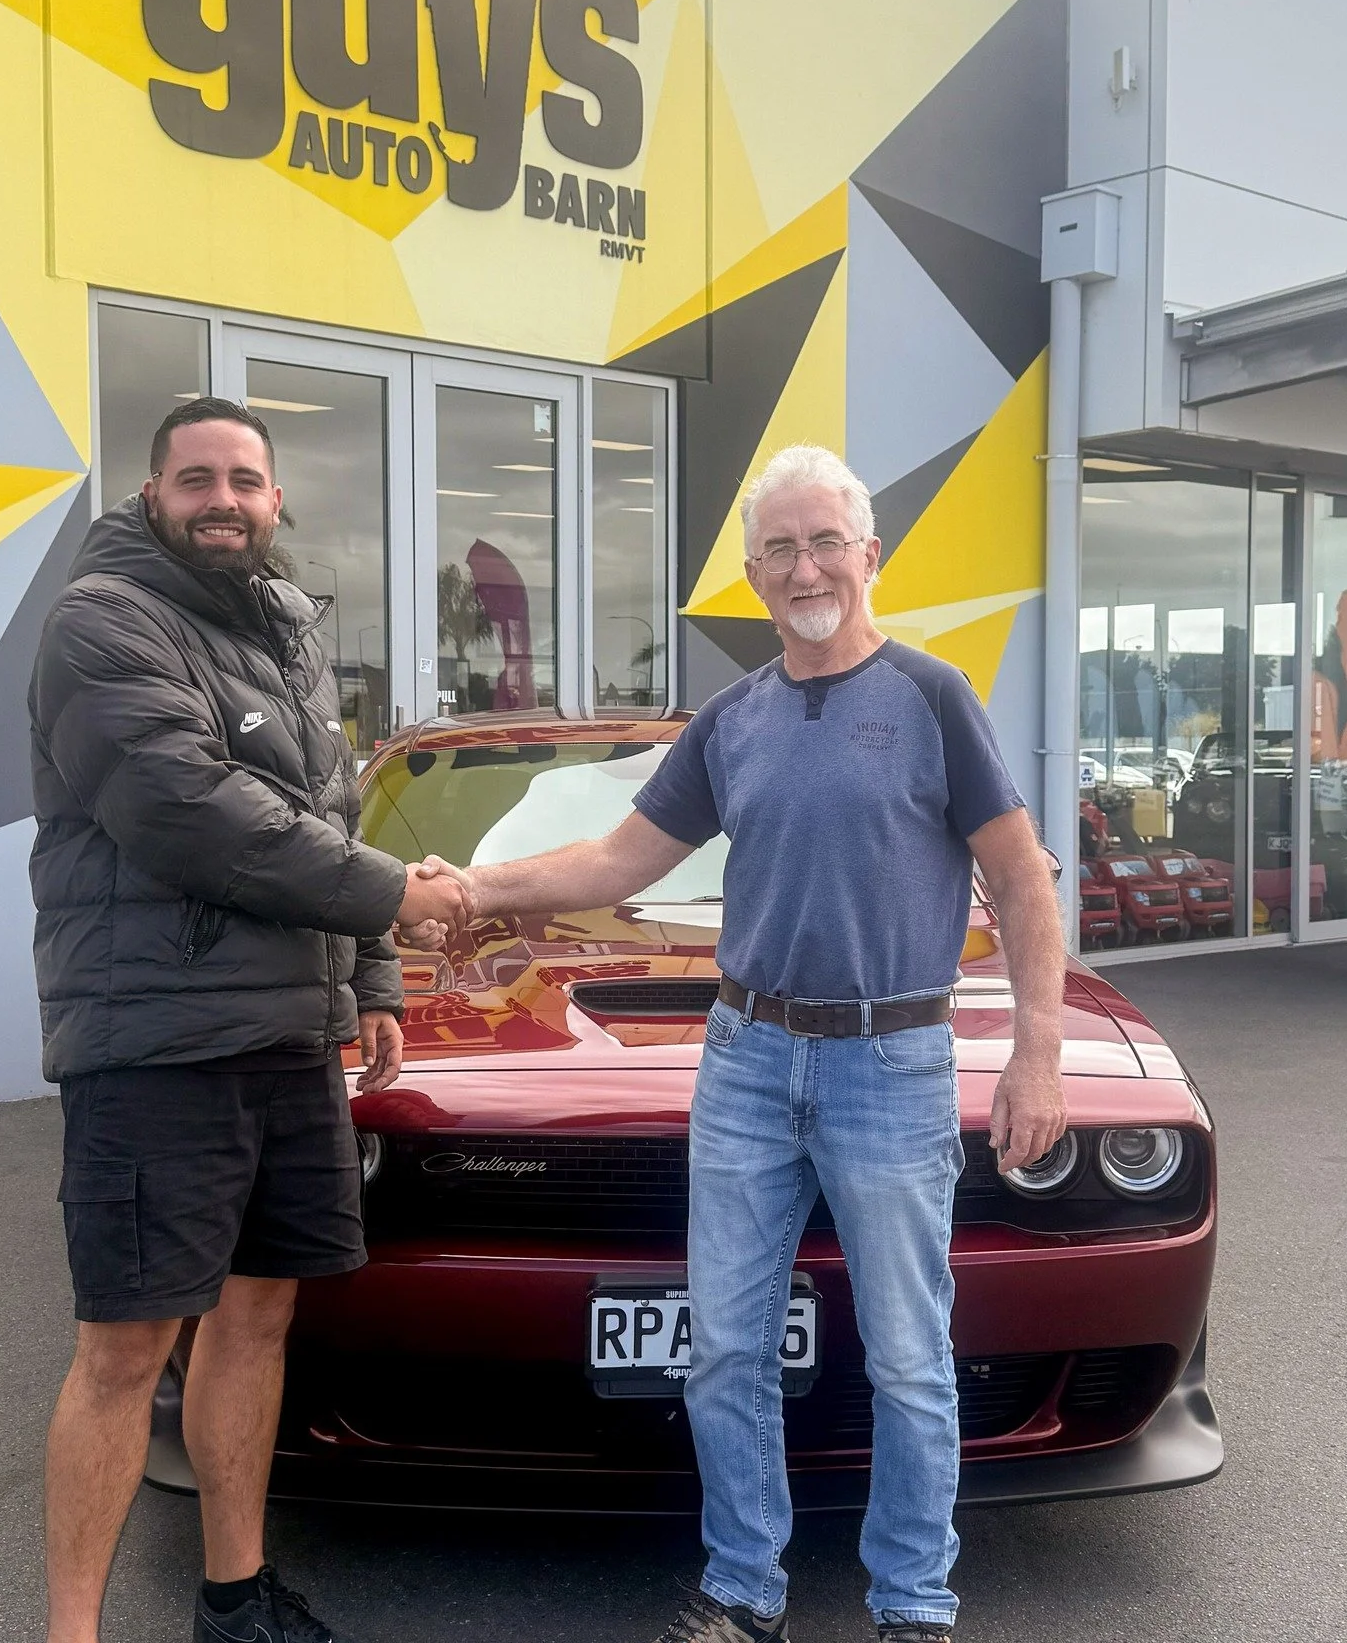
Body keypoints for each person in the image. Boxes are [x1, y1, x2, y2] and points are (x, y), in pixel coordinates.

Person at [425, 443, 1067, 1642]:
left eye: (825, 539)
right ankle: (742, 1592)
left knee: (910, 1359)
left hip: (892, 1061)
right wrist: (470, 886)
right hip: (748, 1060)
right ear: (752, 574)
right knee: (722, 1347)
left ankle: (913, 1602)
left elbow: (1022, 883)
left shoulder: (932, 699)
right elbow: (616, 861)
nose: (805, 563)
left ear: (867, 556)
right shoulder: (731, 721)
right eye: (779, 546)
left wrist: (1036, 1052)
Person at [28, 397, 467, 1643]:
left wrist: (370, 972)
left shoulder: (284, 629)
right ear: (155, 492)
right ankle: (72, 1630)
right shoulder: (98, 620)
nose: (223, 497)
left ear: (278, 502)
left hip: (285, 1040)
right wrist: (394, 897)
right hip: (154, 1043)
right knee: (125, 1350)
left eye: (246, 479)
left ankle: (234, 1591)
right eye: (196, 477)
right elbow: (187, 808)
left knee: (258, 1314)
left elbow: (327, 814)